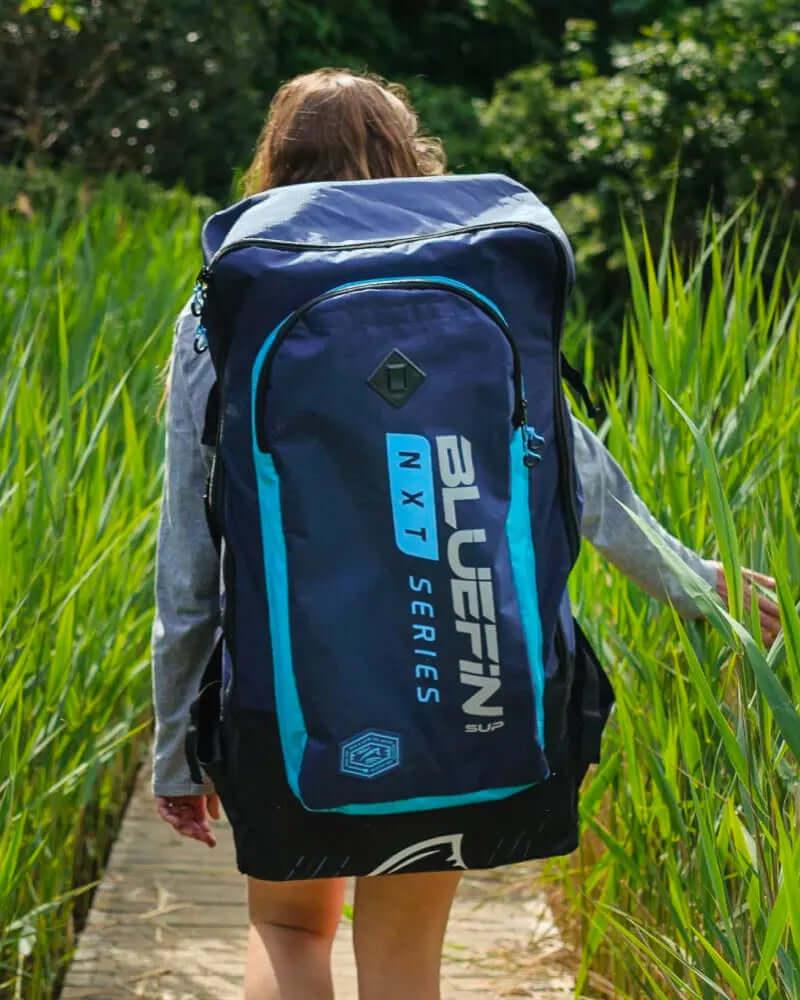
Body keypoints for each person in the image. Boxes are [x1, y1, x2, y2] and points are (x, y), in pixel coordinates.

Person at [150, 69, 781, 1000]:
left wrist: (175, 743)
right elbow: (579, 477)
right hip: (453, 686)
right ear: (415, 158)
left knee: (288, 930)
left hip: (284, 697)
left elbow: (189, 558)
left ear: (274, 164)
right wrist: (694, 581)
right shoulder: (475, 279)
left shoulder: (227, 306)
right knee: (406, 961)